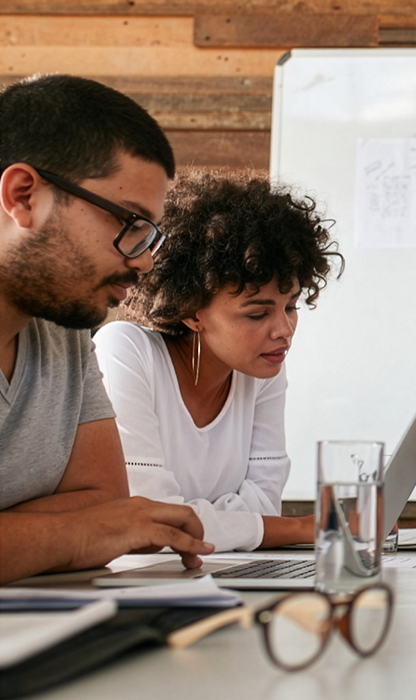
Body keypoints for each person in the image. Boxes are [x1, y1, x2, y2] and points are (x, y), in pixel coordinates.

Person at [0, 74, 212, 584]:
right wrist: (77, 532)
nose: (142, 264)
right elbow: (103, 525)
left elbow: (106, 502)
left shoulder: (64, 328)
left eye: (150, 236)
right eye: (128, 224)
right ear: (24, 196)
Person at [93, 171, 342, 552]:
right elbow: (152, 523)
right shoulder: (125, 350)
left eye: (290, 307)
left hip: (226, 576)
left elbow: (263, 507)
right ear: (191, 312)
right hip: (141, 586)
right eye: (257, 314)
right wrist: (303, 528)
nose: (284, 330)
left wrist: (210, 520)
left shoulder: (263, 369)